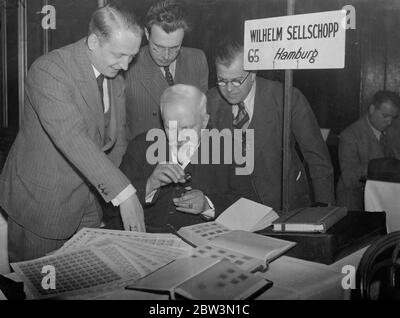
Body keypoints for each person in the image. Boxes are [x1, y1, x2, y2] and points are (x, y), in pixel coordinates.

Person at [0, 5, 146, 262]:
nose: (125, 65)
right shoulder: (49, 70)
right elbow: (72, 137)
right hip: (43, 203)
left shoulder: (115, 77)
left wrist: (113, 192)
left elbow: (116, 140)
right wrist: (124, 193)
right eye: (120, 55)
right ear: (93, 41)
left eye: (132, 57)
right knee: (39, 285)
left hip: (88, 202)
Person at [207, 36, 335, 212]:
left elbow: (317, 158)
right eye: (222, 80)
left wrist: (324, 209)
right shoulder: (210, 100)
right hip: (233, 208)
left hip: (283, 205)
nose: (229, 89)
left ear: (253, 74)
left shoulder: (287, 98)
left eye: (237, 80)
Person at [119, 84, 256, 232]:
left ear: (204, 122)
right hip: (148, 244)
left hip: (204, 247)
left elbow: (251, 208)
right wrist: (149, 185)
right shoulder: (140, 147)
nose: (178, 137)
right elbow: (110, 210)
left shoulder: (227, 150)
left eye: (186, 128)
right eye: (169, 127)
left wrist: (208, 205)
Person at [124, 0, 209, 140]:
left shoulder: (198, 60)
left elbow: (202, 118)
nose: (166, 56)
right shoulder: (128, 67)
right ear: (146, 33)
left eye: (175, 47)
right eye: (158, 47)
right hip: (145, 155)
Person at [337, 90, 400, 211]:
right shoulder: (349, 135)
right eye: (385, 115)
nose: (389, 122)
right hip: (355, 204)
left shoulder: (393, 130)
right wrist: (379, 165)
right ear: (372, 109)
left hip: (387, 201)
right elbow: (349, 178)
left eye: (393, 117)